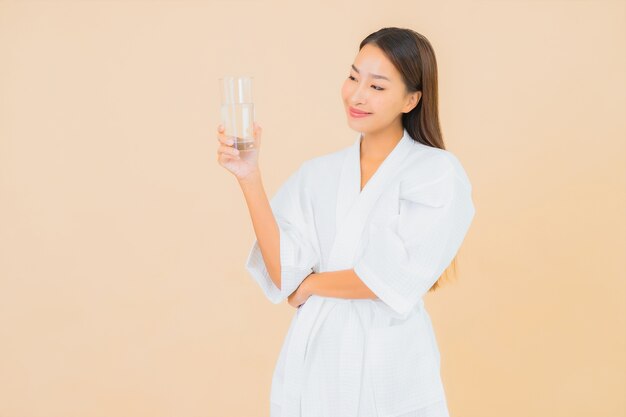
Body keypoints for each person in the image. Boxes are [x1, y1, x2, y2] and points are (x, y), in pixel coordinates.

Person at [216, 27, 476, 417]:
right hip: (317, 358)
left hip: (391, 364)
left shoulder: (436, 173)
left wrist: (314, 285)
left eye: (377, 86)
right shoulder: (317, 174)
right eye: (353, 77)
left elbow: (393, 277)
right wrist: (249, 177)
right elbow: (284, 273)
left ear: (411, 99)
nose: (357, 95)